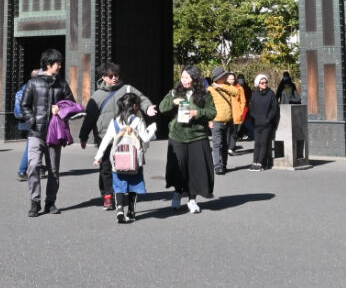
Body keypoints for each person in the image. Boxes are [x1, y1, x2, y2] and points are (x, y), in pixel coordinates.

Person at [79, 61, 157, 210]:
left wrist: (147, 108)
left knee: (125, 165)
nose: (114, 78)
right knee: (106, 167)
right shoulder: (97, 96)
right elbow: (90, 118)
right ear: (103, 77)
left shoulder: (127, 89)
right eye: (111, 76)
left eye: (116, 75)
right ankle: (108, 196)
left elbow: (141, 98)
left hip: (126, 136)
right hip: (105, 135)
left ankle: (120, 193)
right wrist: (83, 136)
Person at [20, 48, 75, 217]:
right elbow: (24, 105)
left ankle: (50, 202)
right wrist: (33, 121)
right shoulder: (33, 83)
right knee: (33, 166)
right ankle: (34, 202)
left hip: (54, 133)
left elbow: (72, 105)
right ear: (49, 64)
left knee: (54, 170)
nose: (60, 66)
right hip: (36, 133)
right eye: (58, 63)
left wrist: (61, 109)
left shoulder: (62, 84)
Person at [159, 65, 216, 213]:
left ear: (195, 78)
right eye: (182, 77)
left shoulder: (205, 94)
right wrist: (173, 102)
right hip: (177, 135)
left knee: (195, 170)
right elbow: (162, 108)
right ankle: (177, 193)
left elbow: (212, 112)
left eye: (187, 77)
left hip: (198, 136)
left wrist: (197, 112)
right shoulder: (174, 92)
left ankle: (192, 199)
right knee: (178, 168)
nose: (184, 80)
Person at [93, 92, 155, 224]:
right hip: (134, 160)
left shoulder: (115, 122)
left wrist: (98, 156)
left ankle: (120, 210)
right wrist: (153, 128)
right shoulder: (137, 121)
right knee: (134, 185)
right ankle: (131, 211)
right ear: (135, 106)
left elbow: (106, 140)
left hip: (118, 160)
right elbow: (145, 138)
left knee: (119, 185)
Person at [207, 67, 242, 175]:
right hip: (216, 121)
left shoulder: (227, 86)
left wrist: (221, 86)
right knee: (217, 144)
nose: (226, 76)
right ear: (218, 78)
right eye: (224, 76)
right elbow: (207, 106)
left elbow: (236, 92)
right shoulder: (210, 90)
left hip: (228, 120)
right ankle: (217, 166)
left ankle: (224, 165)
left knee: (225, 144)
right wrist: (209, 121)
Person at [247, 73, 280, 171]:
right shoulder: (254, 94)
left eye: (266, 82)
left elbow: (274, 108)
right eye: (262, 83)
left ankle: (260, 163)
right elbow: (251, 108)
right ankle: (255, 162)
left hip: (267, 124)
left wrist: (268, 119)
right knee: (257, 143)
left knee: (264, 143)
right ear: (258, 84)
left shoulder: (271, 94)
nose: (265, 84)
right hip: (257, 123)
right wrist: (253, 118)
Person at [15, 69, 39, 181]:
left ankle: (40, 168)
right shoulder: (34, 88)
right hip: (33, 120)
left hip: (23, 120)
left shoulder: (23, 88)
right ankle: (22, 170)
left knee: (34, 144)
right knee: (31, 145)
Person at [235, 73, 254, 143]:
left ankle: (241, 135)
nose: (241, 81)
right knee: (240, 123)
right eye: (239, 79)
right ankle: (239, 135)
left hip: (245, 108)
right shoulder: (235, 87)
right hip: (238, 108)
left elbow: (250, 96)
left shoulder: (246, 87)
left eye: (241, 79)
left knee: (244, 122)